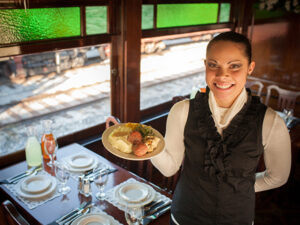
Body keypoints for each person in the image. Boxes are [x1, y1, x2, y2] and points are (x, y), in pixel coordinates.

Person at [151, 31, 291, 225]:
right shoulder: (182, 111)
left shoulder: (271, 122)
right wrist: (148, 147)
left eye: (234, 66)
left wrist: (239, 187)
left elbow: (277, 177)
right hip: (184, 217)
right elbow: (169, 168)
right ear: (205, 65)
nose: (222, 75)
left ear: (250, 67)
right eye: (213, 65)